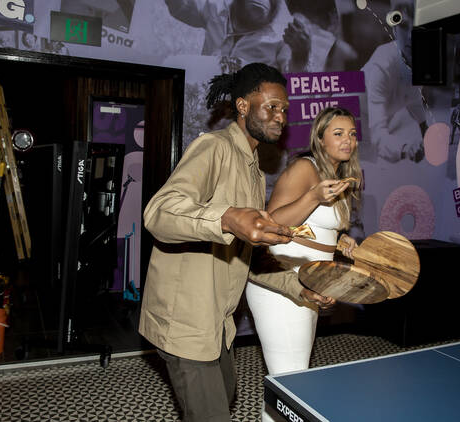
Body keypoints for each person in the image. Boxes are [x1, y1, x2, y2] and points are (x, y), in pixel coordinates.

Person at [138, 62, 334, 422]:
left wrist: (298, 287)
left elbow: (249, 259)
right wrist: (227, 218)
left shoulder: (255, 172)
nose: (281, 117)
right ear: (243, 106)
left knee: (226, 393)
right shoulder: (213, 147)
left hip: (219, 323)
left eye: (285, 109)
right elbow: (159, 212)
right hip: (185, 323)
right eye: (271, 106)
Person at [245, 106, 361, 421]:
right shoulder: (304, 169)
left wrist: (338, 242)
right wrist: (312, 198)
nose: (347, 140)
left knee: (291, 382)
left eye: (351, 134)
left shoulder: (336, 177)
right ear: (320, 139)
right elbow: (270, 224)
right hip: (281, 283)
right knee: (290, 384)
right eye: (338, 133)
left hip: (308, 286)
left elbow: (307, 229)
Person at [361, 0, 427, 163]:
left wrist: (425, 129)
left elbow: (414, 98)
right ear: (394, 29)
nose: (411, 36)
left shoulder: (420, 61)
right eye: (404, 26)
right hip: (352, 124)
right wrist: (405, 148)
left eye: (417, 27)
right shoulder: (382, 66)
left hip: (373, 128)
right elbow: (377, 133)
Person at [164, 0, 310, 72]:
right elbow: (181, 6)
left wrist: (300, 56)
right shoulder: (217, 9)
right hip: (206, 99)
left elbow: (293, 81)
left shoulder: (285, 33)